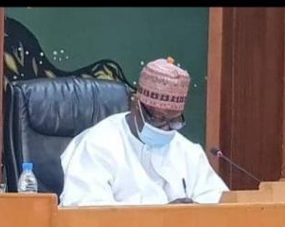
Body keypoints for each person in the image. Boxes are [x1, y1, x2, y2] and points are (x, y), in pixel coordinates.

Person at [59, 57, 228, 206]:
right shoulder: (99, 144)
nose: (166, 129)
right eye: (157, 118)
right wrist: (161, 218)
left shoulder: (187, 151)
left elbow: (217, 200)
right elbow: (85, 210)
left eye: (174, 120)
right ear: (135, 105)